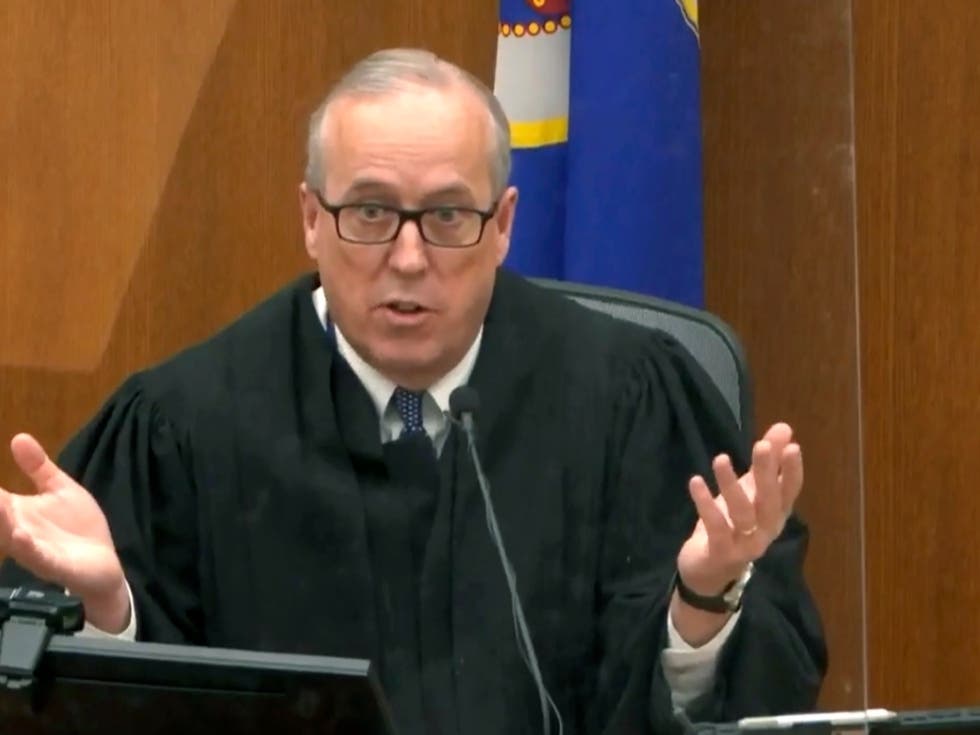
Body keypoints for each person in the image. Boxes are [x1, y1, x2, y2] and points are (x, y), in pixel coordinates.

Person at [0, 48, 825, 734]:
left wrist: (702, 600)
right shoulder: (185, 425)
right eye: (369, 212)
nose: (406, 257)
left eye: (447, 217)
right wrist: (109, 615)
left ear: (504, 224)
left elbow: (748, 698)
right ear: (310, 218)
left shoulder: (626, 402)